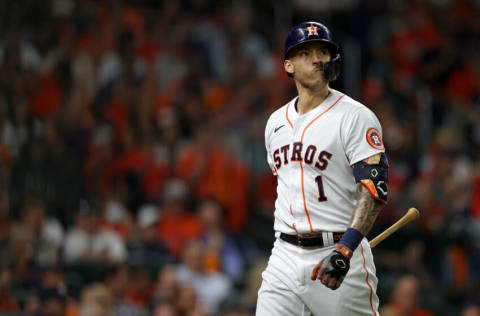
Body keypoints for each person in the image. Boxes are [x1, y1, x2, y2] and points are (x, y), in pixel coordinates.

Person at [256, 22, 389, 316]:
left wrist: (346, 250)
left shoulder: (355, 116)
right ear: (288, 66)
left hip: (341, 249)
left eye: (323, 51)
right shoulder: (275, 123)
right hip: (284, 254)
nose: (317, 58)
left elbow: (374, 190)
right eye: (306, 52)